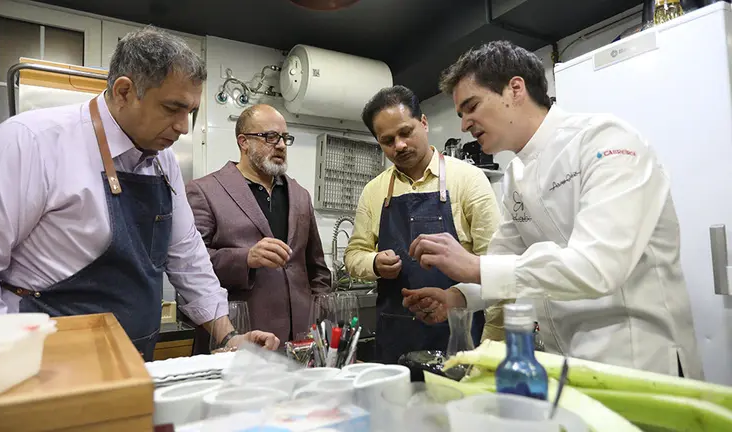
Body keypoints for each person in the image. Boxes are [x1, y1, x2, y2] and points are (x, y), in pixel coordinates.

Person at [0, 26, 279, 361]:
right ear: (125, 91)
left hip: (132, 361)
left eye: (191, 111)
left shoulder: (163, 162)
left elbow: (187, 257)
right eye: (172, 108)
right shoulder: (29, 143)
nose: (184, 127)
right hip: (40, 364)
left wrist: (228, 335)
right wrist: (7, 362)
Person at [401, 41, 703, 378]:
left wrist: (474, 266)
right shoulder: (517, 175)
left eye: (471, 107)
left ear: (515, 89)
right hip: (568, 364)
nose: (464, 125)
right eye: (460, 114)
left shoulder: (605, 142)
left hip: (638, 359)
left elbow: (596, 266)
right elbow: (502, 265)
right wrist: (457, 296)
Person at [344, 85, 502, 365]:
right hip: (396, 336)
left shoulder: (468, 179)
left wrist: (493, 344)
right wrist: (374, 262)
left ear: (424, 122)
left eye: (406, 132)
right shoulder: (374, 190)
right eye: (388, 140)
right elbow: (354, 255)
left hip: (460, 336)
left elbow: (497, 265)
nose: (400, 145)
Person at [186, 104, 332, 343]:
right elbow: (191, 265)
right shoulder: (205, 191)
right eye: (270, 137)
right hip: (240, 337)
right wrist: (245, 258)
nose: (282, 145)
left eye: (285, 138)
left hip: (300, 341)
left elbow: (316, 267)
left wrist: (318, 313)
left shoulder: (300, 195)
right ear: (243, 142)